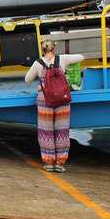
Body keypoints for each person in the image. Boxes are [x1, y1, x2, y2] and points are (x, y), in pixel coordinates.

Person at [24, 40, 84, 173]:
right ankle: (60, 164)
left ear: (43, 50)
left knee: (46, 133)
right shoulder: (62, 59)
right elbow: (81, 57)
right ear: (54, 49)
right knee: (62, 132)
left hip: (45, 100)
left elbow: (27, 79)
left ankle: (48, 164)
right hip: (62, 100)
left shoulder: (38, 64)